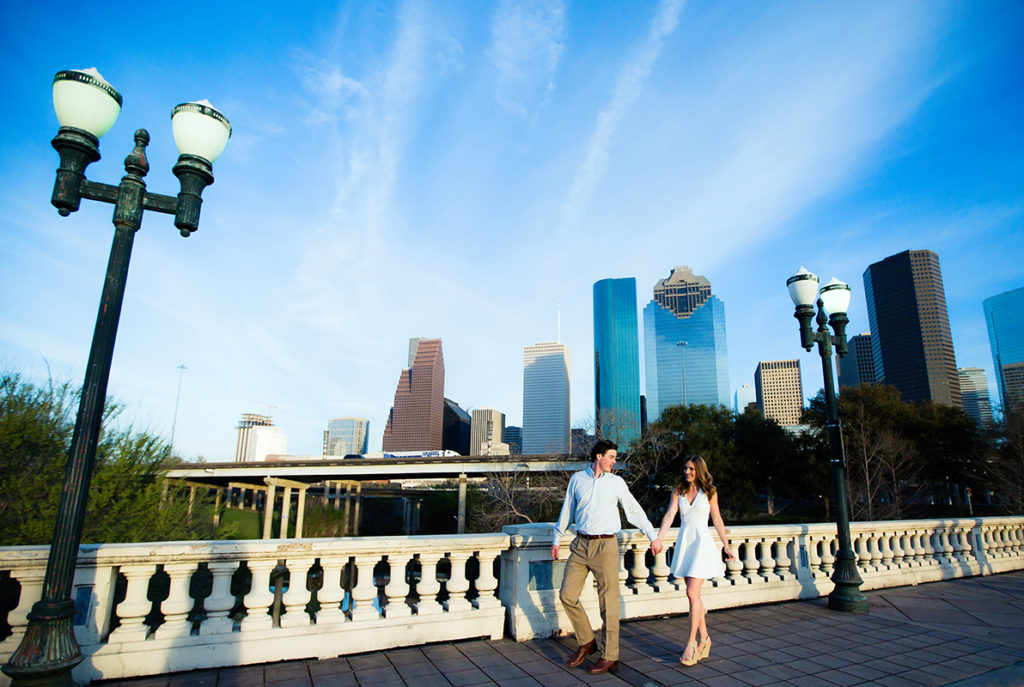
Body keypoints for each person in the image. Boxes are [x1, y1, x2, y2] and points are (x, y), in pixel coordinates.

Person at [552, 439, 664, 675]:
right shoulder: (577, 480)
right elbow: (567, 511)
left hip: (606, 546)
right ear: (599, 457)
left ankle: (610, 655)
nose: (615, 461)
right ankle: (587, 641)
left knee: (608, 605)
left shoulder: (616, 483)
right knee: (567, 595)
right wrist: (556, 538)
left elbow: (633, 511)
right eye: (612, 457)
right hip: (581, 545)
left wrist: (653, 536)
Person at [651, 454, 735, 666]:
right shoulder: (678, 491)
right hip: (686, 544)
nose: (687, 472)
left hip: (701, 545)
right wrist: (659, 538)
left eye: (691, 469)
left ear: (699, 470)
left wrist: (726, 544)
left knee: (691, 593)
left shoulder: (710, 492)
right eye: (685, 469)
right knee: (693, 596)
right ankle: (705, 639)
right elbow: (670, 515)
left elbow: (716, 518)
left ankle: (691, 644)